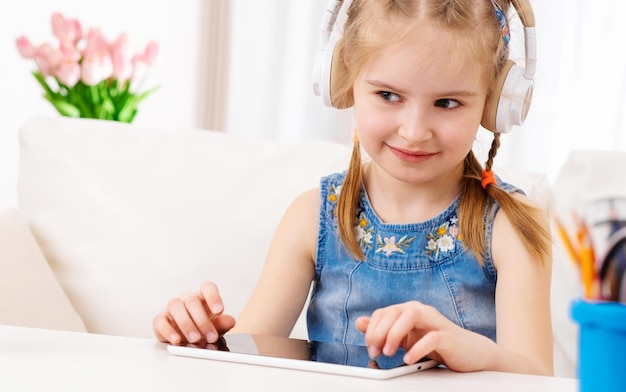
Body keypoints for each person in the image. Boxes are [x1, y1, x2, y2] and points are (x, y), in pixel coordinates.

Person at [153, 0, 553, 376]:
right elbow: (246, 361)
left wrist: (473, 352)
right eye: (388, 95)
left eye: (447, 102)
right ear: (343, 78)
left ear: (495, 101)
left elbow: (540, 379)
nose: (414, 131)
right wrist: (198, 336)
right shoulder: (311, 218)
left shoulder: (513, 227)